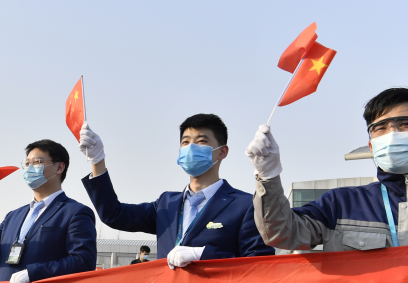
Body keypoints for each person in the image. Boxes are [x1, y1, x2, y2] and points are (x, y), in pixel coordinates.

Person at [246, 86, 408, 250]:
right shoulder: (340, 205)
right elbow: (281, 233)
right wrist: (268, 175)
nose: (392, 133)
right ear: (372, 145)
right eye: (380, 128)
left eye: (405, 124)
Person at [79, 115, 274, 269]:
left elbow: (259, 266)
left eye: (201, 141)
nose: (191, 148)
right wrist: (97, 160)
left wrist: (203, 255)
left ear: (222, 152)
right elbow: (114, 215)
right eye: (185, 142)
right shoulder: (167, 203)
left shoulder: (245, 205)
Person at [0, 139, 97, 283]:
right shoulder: (13, 216)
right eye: (27, 164)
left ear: (59, 167)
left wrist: (35, 273)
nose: (30, 168)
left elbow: (83, 261)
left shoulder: (75, 212)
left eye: (37, 162)